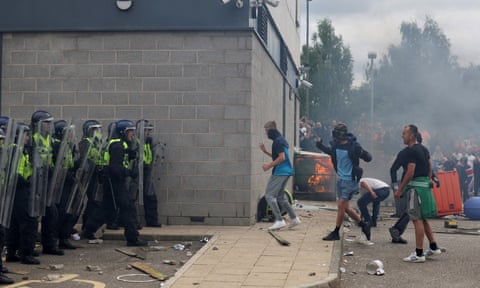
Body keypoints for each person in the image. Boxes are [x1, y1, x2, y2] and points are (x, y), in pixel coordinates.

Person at [83, 120, 148, 246]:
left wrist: (129, 154)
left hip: (111, 181)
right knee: (128, 208)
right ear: (123, 132)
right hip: (115, 182)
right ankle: (132, 238)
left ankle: (88, 229)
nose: (132, 134)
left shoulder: (119, 144)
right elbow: (115, 168)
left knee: (106, 209)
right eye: (130, 131)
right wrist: (129, 172)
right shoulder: (118, 146)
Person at [394, 124, 442, 263]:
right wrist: (428, 180)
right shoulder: (424, 149)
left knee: (416, 219)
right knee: (423, 218)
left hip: (415, 189)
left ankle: (419, 253)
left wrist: (400, 189)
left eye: (404, 133)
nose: (402, 136)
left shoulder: (411, 151)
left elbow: (410, 172)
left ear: (412, 136)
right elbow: (430, 167)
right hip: (424, 188)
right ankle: (433, 247)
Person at [316, 123, 372, 241]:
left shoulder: (353, 146)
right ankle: (363, 225)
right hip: (341, 180)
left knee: (341, 205)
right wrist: (319, 145)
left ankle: (336, 232)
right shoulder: (336, 146)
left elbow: (368, 157)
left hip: (350, 181)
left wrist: (363, 153)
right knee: (346, 208)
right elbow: (329, 151)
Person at [5, 123, 40, 265]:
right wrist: (27, 182)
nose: (28, 137)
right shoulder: (16, 150)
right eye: (25, 135)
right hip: (19, 188)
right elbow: (13, 172)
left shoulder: (21, 150)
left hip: (17, 189)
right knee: (28, 221)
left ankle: (12, 252)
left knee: (14, 222)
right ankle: (26, 254)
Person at [30, 110, 64, 256]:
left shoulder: (48, 138)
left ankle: (49, 245)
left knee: (51, 213)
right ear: (39, 125)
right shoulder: (34, 139)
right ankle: (28, 247)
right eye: (46, 123)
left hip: (46, 180)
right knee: (32, 216)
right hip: (35, 181)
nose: (49, 126)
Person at [259, 121, 301, 230]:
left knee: (269, 195)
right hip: (286, 171)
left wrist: (269, 166)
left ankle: (279, 220)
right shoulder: (281, 140)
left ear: (271, 130)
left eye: (266, 130)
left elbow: (281, 158)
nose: (266, 133)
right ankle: (294, 218)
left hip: (280, 172)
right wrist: (265, 152)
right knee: (280, 197)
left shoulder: (278, 141)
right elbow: (277, 157)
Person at [51, 120, 78, 250]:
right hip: (60, 183)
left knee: (71, 210)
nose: (70, 135)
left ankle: (64, 237)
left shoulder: (68, 146)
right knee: (61, 211)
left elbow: (69, 164)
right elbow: (59, 166)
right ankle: (58, 238)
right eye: (68, 132)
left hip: (68, 181)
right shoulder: (57, 146)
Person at [136, 120, 161, 227]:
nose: (148, 133)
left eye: (148, 131)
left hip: (147, 171)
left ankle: (152, 221)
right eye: (146, 131)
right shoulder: (136, 142)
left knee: (150, 196)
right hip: (137, 172)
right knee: (133, 197)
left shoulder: (148, 142)